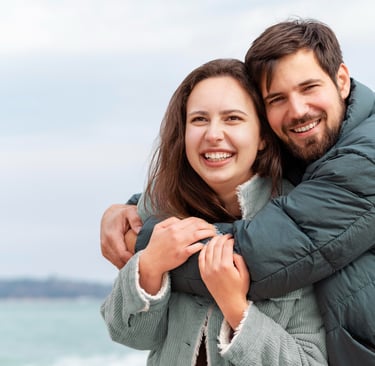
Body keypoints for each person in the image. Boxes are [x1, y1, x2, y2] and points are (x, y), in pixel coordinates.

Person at [100, 19, 375, 365]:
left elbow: (273, 254)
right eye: (199, 119)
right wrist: (145, 250)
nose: (297, 109)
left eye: (233, 118)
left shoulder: (356, 163)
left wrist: (237, 310)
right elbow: (129, 334)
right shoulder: (163, 207)